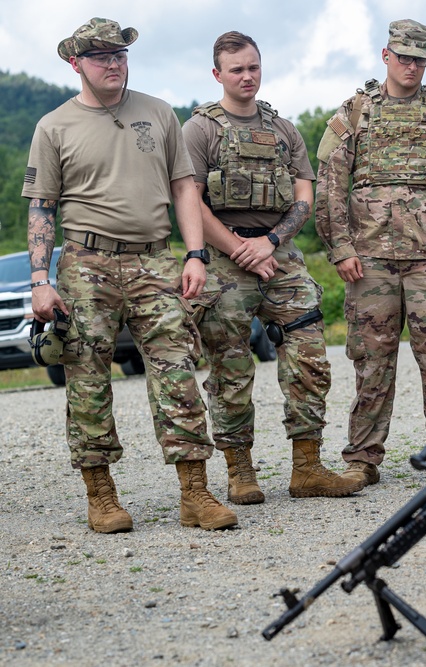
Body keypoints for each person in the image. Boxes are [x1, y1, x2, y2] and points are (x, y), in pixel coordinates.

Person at [22, 18, 237, 533]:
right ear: (76, 64)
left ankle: (195, 494)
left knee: (177, 372)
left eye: (120, 55)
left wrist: (194, 255)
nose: (114, 64)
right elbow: (42, 209)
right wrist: (39, 279)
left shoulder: (158, 113)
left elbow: (187, 189)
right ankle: (102, 497)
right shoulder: (54, 127)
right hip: (86, 265)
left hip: (155, 259)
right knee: (87, 379)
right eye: (101, 57)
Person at [182, 32, 363, 504]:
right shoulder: (199, 130)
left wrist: (271, 242)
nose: (247, 76)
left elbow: (305, 197)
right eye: (237, 69)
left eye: (254, 67)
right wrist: (240, 249)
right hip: (223, 260)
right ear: (217, 74)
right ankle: (240, 472)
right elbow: (190, 200)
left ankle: (307, 467)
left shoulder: (284, 130)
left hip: (278, 255)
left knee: (309, 360)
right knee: (231, 368)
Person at [314, 19, 426, 487]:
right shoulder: (354, 112)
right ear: (385, 55)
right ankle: (363, 457)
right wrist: (339, 246)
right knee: (371, 360)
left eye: (420, 59)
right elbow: (331, 182)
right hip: (369, 261)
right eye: (404, 56)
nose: (411, 66)